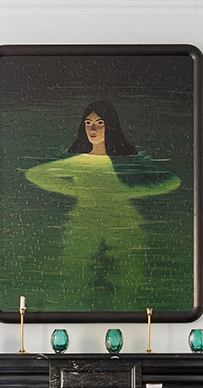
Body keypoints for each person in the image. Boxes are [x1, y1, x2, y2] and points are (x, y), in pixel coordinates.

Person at [22, 101, 180, 307]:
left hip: (123, 219)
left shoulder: (129, 159)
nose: (93, 129)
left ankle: (128, 312)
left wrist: (131, 191)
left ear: (110, 125)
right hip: (84, 220)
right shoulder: (77, 160)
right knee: (75, 269)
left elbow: (170, 180)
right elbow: (35, 173)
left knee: (131, 272)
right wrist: (73, 190)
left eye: (99, 122)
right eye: (88, 123)